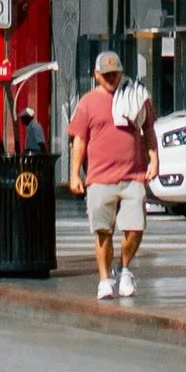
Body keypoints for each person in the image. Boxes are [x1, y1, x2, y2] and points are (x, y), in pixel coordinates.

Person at [67, 46, 160, 299]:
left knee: (135, 229)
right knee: (102, 230)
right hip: (99, 177)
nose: (111, 78)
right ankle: (105, 278)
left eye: (115, 73)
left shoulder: (136, 97)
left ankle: (125, 268)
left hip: (133, 175)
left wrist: (154, 159)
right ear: (96, 74)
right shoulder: (87, 103)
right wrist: (75, 173)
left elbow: (149, 130)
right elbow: (79, 140)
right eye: (106, 74)